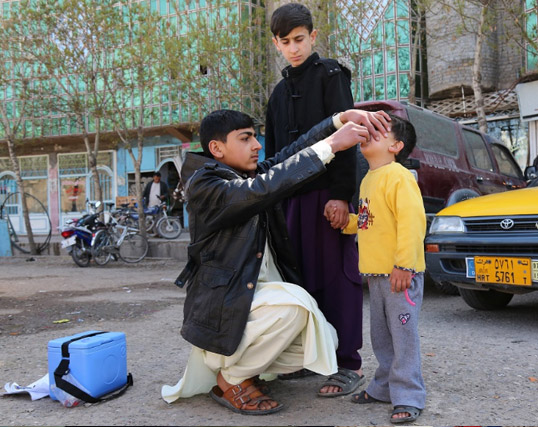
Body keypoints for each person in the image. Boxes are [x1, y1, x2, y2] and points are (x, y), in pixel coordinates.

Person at [161, 108, 391, 415]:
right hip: (225, 307)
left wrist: (337, 120)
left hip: (249, 300)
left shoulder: (243, 174)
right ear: (216, 149)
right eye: (245, 138)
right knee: (296, 307)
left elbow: (291, 154)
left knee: (322, 335)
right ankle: (231, 378)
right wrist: (333, 145)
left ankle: (246, 366)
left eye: (255, 137)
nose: (256, 145)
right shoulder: (205, 185)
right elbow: (260, 190)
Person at [266, 2, 364, 397]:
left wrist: (342, 195)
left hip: (327, 196)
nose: (294, 48)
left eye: (300, 39)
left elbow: (348, 139)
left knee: (336, 277)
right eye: (286, 42)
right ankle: (308, 359)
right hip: (291, 200)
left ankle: (347, 364)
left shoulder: (331, 76)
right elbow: (273, 153)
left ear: (313, 36)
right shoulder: (276, 94)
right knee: (299, 281)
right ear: (276, 44)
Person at [329, 114, 426, 424]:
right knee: (382, 338)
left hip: (399, 274)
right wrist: (349, 224)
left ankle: (409, 395)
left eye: (379, 131)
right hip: (377, 275)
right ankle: (384, 387)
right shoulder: (370, 178)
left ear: (396, 146)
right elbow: (373, 222)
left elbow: (412, 224)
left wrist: (404, 265)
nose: (369, 133)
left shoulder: (399, 175)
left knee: (403, 338)